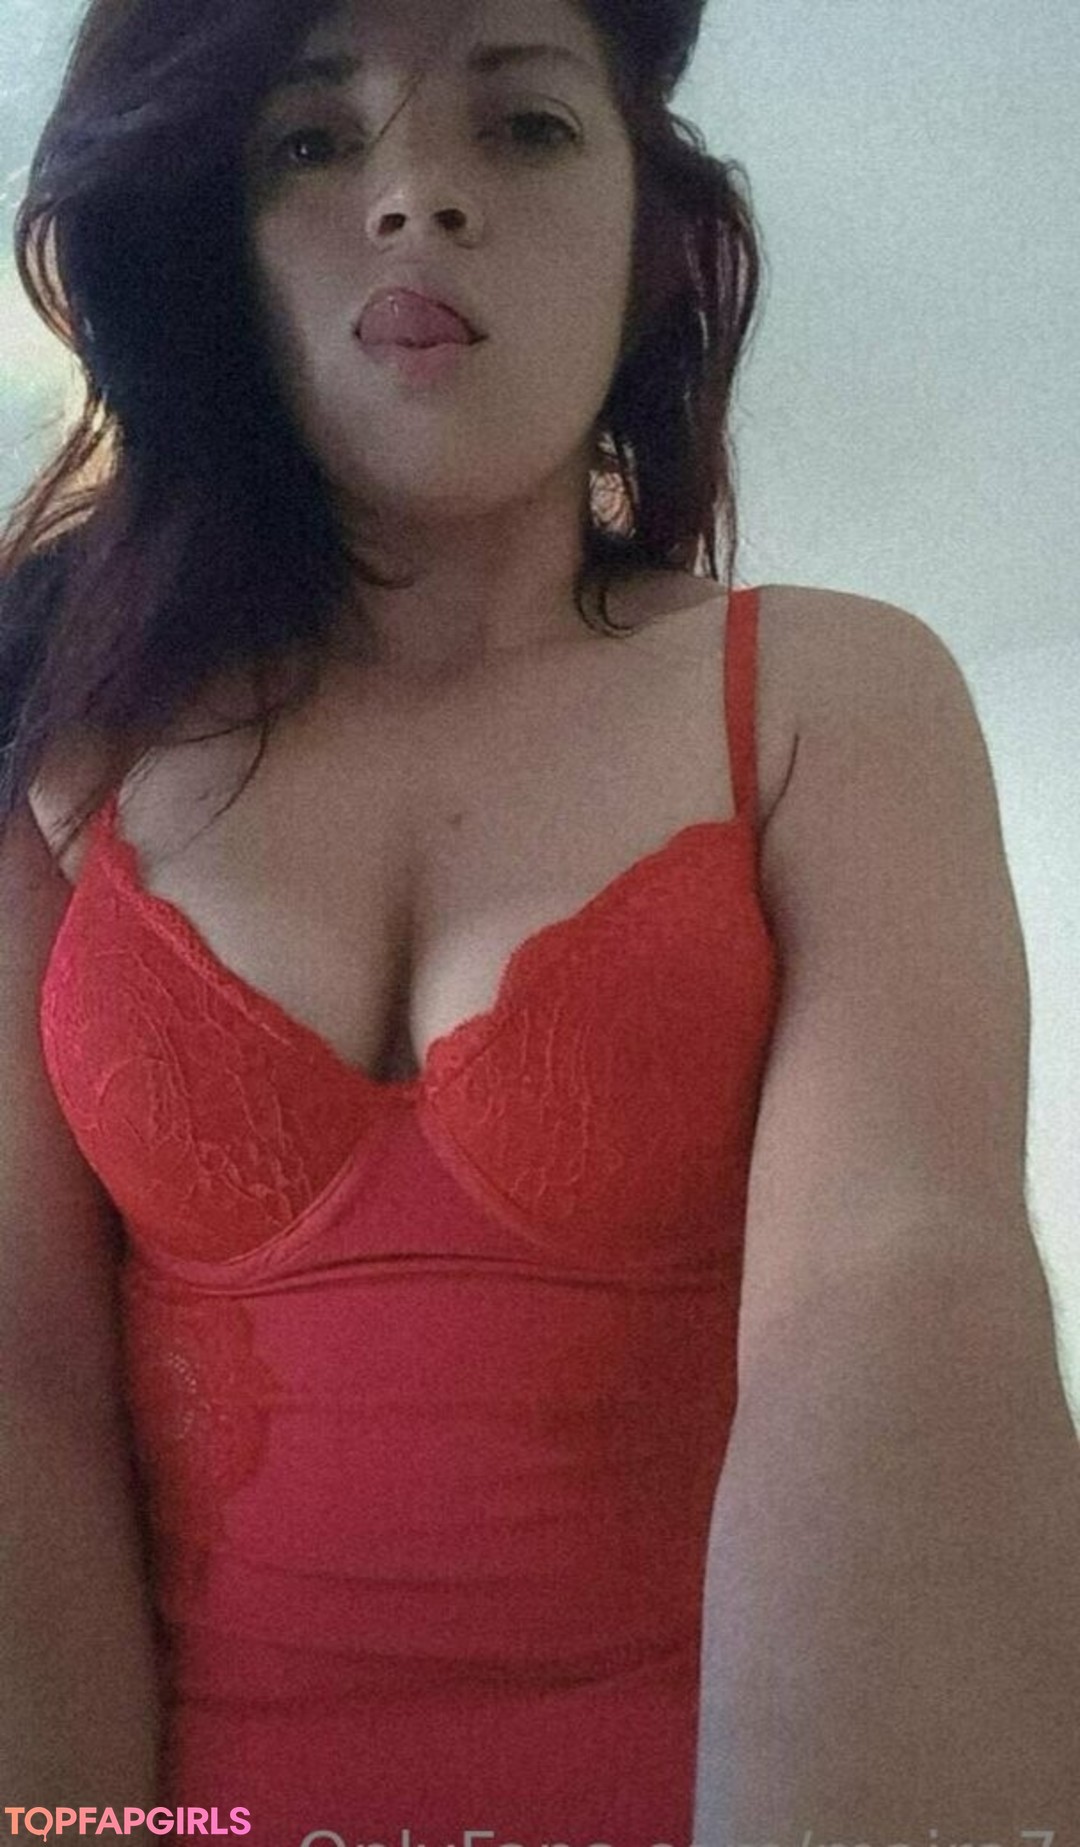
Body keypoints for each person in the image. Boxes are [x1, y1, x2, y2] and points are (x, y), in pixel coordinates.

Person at [3, 1, 1079, 1844]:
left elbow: (904, 1288)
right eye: (312, 141)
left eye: (523, 127)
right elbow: (19, 1383)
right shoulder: (59, 743)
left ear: (656, 240)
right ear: (213, 249)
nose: (417, 193)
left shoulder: (828, 697)